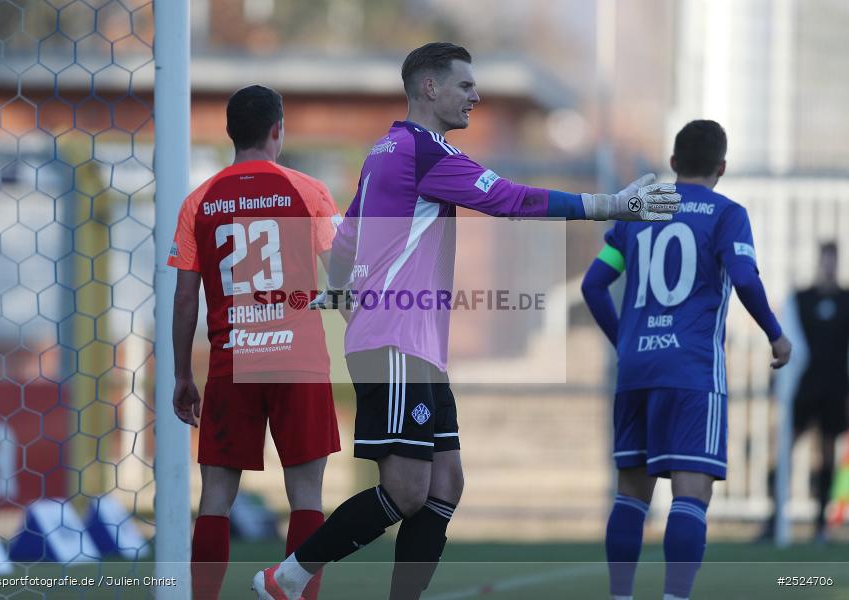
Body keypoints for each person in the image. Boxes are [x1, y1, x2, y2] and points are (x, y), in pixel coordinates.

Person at [253, 42, 681, 600]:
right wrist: (609, 206)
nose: (475, 96)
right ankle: (286, 578)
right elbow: (507, 199)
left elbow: (348, 237)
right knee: (406, 490)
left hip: (411, 343)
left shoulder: (385, 150)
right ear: (430, 88)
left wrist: (340, 288)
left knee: (445, 485)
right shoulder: (422, 152)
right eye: (465, 85)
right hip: (395, 343)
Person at [581, 119, 792, 600]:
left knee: (631, 495)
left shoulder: (635, 216)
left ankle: (620, 597)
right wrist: (775, 335)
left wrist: (626, 342)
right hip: (691, 371)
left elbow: (593, 285)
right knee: (690, 494)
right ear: (722, 166)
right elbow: (743, 275)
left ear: (673, 164)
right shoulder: (726, 214)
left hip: (635, 371)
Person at [168, 85, 342, 600]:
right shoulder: (309, 191)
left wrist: (183, 374)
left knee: (217, 498)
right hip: (301, 362)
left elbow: (184, 299)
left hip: (232, 363)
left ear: (229, 133)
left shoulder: (198, 201)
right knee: (306, 495)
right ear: (277, 130)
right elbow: (347, 283)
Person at [771, 241, 849, 541]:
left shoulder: (845, 300)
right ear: (819, 262)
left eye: (834, 260)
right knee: (786, 449)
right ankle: (774, 519)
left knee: (828, 454)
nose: (829, 266)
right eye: (825, 260)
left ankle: (820, 524)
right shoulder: (801, 299)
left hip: (835, 389)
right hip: (805, 389)